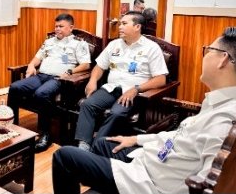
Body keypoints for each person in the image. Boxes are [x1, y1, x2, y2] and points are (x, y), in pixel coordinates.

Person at [54, 26, 236, 194]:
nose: (205, 56)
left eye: (209, 50)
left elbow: (207, 187)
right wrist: (136, 139)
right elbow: (184, 136)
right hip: (155, 158)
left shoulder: (227, 121)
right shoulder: (226, 103)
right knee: (102, 143)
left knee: (64, 157)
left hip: (150, 181)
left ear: (223, 59)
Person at [72, 10, 168, 150]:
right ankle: (84, 145)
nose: (120, 26)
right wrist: (92, 81)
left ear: (137, 27)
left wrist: (136, 89)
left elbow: (161, 79)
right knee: (87, 104)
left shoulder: (151, 48)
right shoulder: (114, 44)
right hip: (111, 88)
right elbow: (99, 67)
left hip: (133, 93)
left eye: (124, 23)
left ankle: (96, 147)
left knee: (116, 113)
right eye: (120, 24)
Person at [7, 13, 91, 150]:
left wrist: (70, 71)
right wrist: (31, 65)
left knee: (41, 94)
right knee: (14, 87)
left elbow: (86, 65)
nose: (57, 29)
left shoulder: (79, 44)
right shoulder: (49, 41)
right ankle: (11, 126)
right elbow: (38, 57)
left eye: (61, 26)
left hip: (59, 79)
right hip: (41, 76)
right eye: (56, 26)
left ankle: (46, 134)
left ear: (71, 27)